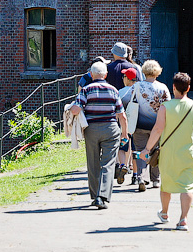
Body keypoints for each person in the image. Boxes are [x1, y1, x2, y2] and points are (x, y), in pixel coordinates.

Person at [140, 72, 193, 231]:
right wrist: (192, 127)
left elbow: (158, 129)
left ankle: (164, 213)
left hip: (169, 152)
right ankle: (183, 219)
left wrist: (147, 149)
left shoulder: (166, 107)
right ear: (189, 88)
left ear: (174, 87)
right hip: (189, 152)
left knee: (167, 183)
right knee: (187, 186)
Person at [70, 60, 129, 209]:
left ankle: (95, 195)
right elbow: (121, 115)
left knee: (93, 163)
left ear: (91, 74)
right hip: (110, 129)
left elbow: (76, 109)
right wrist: (124, 134)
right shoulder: (113, 90)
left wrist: (71, 109)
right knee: (108, 164)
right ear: (106, 75)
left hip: (92, 129)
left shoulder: (86, 89)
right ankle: (103, 196)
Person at [131, 59, 171, 191]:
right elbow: (168, 105)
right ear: (157, 72)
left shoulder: (137, 86)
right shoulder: (162, 87)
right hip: (158, 125)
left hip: (140, 124)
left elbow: (131, 101)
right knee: (156, 151)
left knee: (140, 150)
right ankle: (156, 179)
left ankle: (141, 177)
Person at [114, 67, 141, 185]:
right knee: (135, 149)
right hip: (137, 123)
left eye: (124, 76)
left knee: (122, 146)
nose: (122, 78)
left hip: (124, 123)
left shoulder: (121, 92)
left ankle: (122, 165)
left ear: (128, 79)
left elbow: (116, 110)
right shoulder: (140, 91)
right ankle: (136, 175)